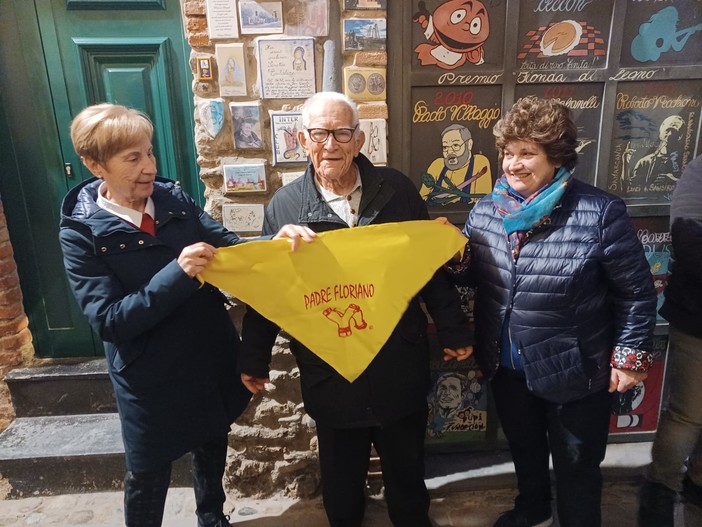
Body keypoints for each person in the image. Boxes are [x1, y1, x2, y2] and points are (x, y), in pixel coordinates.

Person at [59, 103, 314, 527]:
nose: (148, 167)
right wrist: (177, 273)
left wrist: (276, 240)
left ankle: (212, 517)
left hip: (206, 352)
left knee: (212, 440)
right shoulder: (81, 233)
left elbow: (232, 250)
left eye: (149, 153)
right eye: (132, 158)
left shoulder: (171, 198)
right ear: (94, 165)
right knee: (147, 470)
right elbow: (110, 321)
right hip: (148, 373)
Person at [239, 91, 473, 527]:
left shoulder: (397, 190)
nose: (331, 143)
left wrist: (454, 329)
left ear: (359, 139)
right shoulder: (285, 207)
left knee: (407, 474)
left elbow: (426, 268)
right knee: (342, 482)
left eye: (342, 132)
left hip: (396, 361)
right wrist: (254, 357)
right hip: (332, 369)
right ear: (302, 139)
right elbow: (270, 290)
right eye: (320, 133)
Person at [443, 96, 657, 527]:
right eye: (508, 152)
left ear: (555, 156)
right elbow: (474, 279)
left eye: (527, 153)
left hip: (575, 370)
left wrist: (630, 359)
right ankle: (533, 508)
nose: (513, 164)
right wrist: (451, 253)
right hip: (507, 365)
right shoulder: (487, 210)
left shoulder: (598, 211)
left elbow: (636, 292)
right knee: (523, 449)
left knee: (577, 465)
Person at [638, 154, 702, 527]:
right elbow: (690, 245)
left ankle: (697, 481)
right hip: (698, 319)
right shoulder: (699, 172)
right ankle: (660, 488)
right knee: (687, 414)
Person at [420, 124, 493, 206]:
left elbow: (484, 203)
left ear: (469, 144)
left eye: (455, 145)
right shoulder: (438, 165)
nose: (449, 151)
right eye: (445, 147)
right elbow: (422, 198)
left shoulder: (479, 162)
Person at [628, 115, 685, 191]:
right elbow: (631, 186)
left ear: (679, 136)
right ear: (661, 132)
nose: (670, 134)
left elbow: (694, 184)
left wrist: (673, 180)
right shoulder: (645, 161)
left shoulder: (684, 160)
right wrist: (625, 162)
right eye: (667, 130)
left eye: (674, 132)